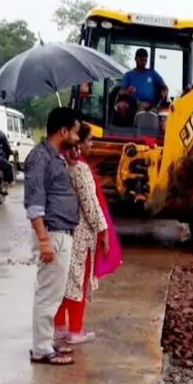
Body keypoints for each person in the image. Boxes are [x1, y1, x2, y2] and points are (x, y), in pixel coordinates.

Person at [23, 107, 81, 366]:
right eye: (76, 133)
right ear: (63, 131)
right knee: (48, 293)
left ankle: (45, 342)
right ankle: (41, 348)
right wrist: (44, 239)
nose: (78, 139)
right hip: (53, 234)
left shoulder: (55, 157)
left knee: (53, 294)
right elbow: (34, 201)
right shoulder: (39, 158)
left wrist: (71, 160)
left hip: (60, 233)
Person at [53, 123, 110, 344]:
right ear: (78, 143)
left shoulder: (61, 164)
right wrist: (103, 231)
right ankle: (75, 330)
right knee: (78, 280)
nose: (91, 144)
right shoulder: (80, 169)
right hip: (81, 233)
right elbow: (91, 205)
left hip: (63, 228)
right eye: (88, 140)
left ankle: (59, 325)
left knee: (63, 278)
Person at [115, 48, 168, 115]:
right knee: (120, 106)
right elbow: (121, 91)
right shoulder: (128, 75)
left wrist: (164, 90)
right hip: (131, 101)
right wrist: (127, 91)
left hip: (147, 103)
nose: (143, 62)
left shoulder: (151, 73)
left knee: (143, 106)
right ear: (136, 59)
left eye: (145, 60)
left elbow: (165, 87)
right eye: (141, 60)